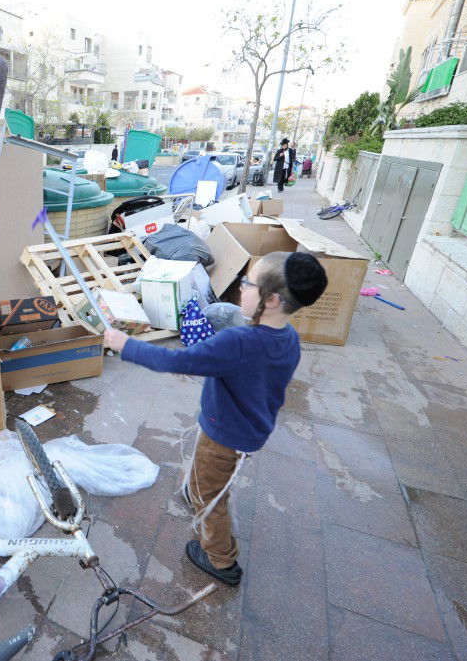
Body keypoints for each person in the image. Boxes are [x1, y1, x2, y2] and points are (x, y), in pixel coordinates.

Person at [104, 251, 328, 586]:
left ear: (272, 299)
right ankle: (197, 488)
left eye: (248, 283)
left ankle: (222, 560)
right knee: (206, 479)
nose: (241, 289)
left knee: (211, 497)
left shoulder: (237, 343)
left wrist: (126, 344)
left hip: (224, 436)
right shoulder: (288, 337)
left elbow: (174, 361)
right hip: (247, 430)